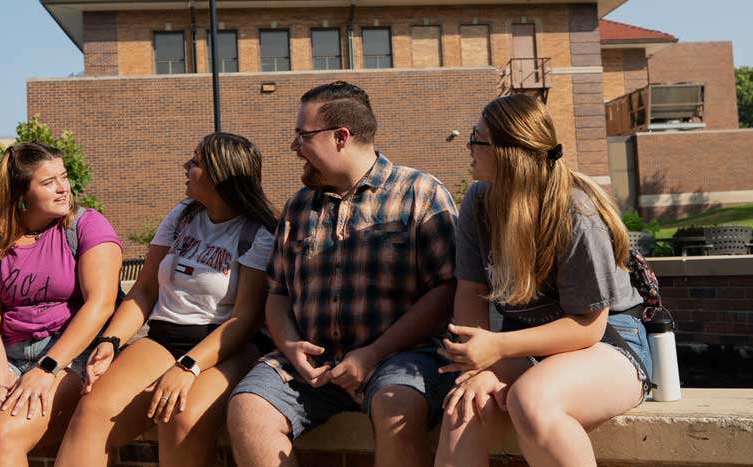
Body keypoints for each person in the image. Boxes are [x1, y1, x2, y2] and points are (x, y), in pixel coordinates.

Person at [225, 81, 459, 467]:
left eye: (303, 135)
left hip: (401, 358)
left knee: (396, 407)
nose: (294, 146)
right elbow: (278, 293)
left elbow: (446, 292)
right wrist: (289, 346)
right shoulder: (299, 207)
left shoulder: (421, 193)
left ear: (340, 137)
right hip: (311, 365)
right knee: (248, 408)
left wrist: (374, 353)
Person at [434, 94, 654, 467]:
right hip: (527, 347)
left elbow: (588, 326)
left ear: (507, 152)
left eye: (476, 139)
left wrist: (499, 348)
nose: (469, 147)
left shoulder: (575, 213)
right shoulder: (479, 202)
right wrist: (477, 361)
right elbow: (471, 291)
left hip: (609, 341)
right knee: (462, 407)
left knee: (531, 400)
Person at [53, 133, 277, 467]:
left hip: (225, 345)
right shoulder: (183, 215)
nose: (186, 166)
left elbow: (244, 318)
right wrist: (112, 341)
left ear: (220, 175)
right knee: (92, 411)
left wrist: (188, 367)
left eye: (196, 161)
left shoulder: (259, 233)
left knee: (178, 416)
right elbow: (144, 290)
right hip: (163, 338)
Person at [0, 141, 123, 467]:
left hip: (71, 356)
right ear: (21, 196)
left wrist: (48, 368)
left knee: (5, 433)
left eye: (63, 177)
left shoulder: (86, 226)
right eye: (48, 183)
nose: (63, 188)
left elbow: (100, 305)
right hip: (11, 357)